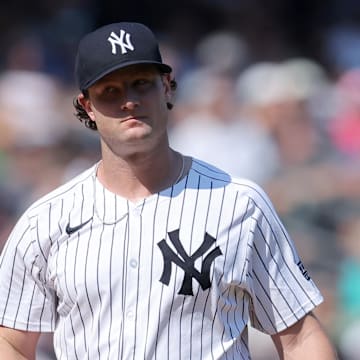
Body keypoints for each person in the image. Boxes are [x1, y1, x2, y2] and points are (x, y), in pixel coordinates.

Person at [0, 21, 337, 359]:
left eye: (141, 84)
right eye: (110, 91)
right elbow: (10, 342)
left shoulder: (239, 203)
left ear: (167, 87)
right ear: (87, 106)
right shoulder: (45, 220)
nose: (129, 101)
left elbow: (300, 338)